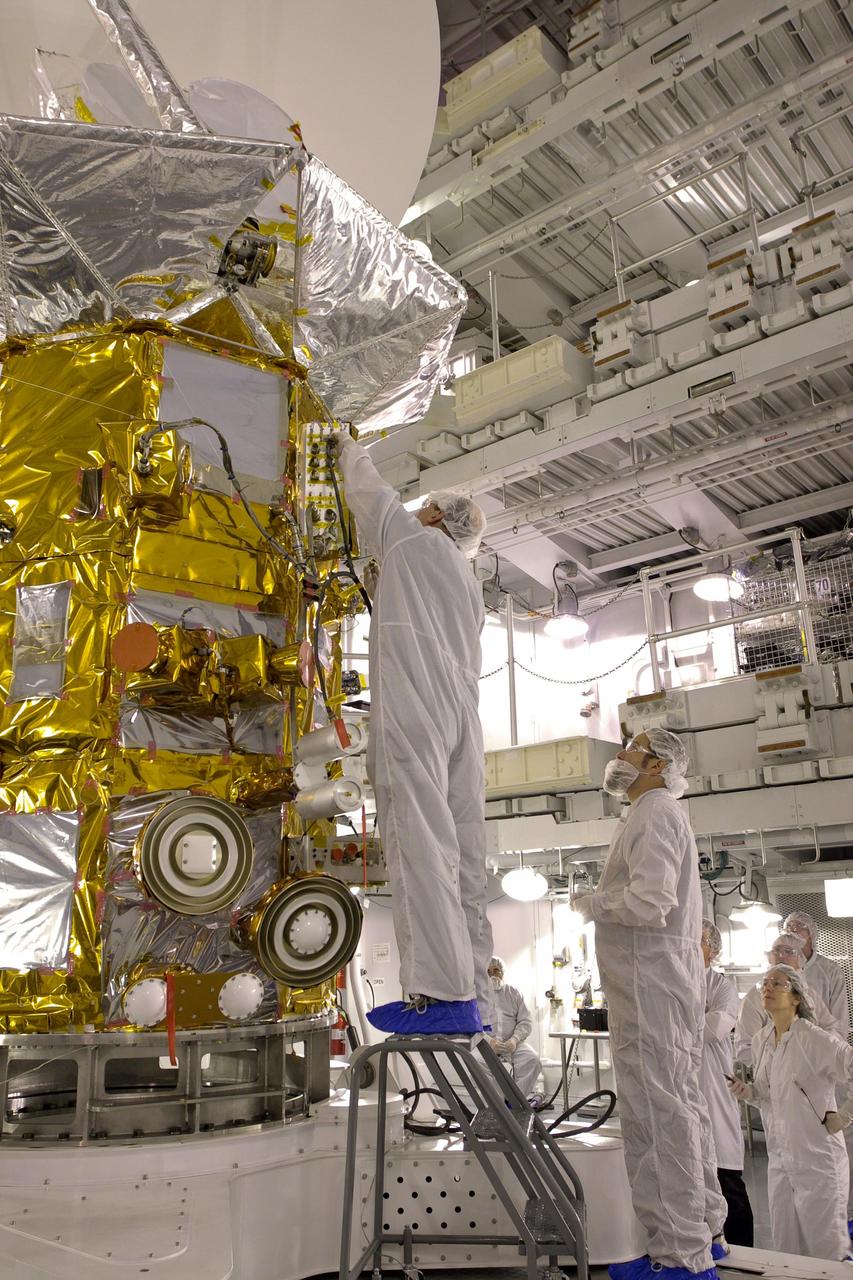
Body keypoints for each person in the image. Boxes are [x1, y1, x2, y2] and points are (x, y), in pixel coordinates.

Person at [334, 430, 492, 1035]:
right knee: (463, 856)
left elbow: (368, 494)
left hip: (419, 711)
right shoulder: (465, 581)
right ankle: (473, 991)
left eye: (424, 505)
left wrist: (344, 444)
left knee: (419, 842)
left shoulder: (411, 541)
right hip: (462, 723)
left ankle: (437, 994)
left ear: (433, 516)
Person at [571, 728, 727, 1280]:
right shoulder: (650, 814)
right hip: (658, 983)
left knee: (659, 1118)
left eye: (632, 750)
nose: (619, 757)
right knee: (681, 1107)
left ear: (659, 766)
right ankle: (705, 1231)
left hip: (649, 985)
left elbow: (649, 901)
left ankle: (681, 1256)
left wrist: (592, 902)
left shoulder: (655, 812)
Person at [728, 964, 853, 1261]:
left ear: (797, 996)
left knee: (827, 1251)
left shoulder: (814, 1039)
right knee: (786, 1247)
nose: (767, 988)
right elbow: (768, 1095)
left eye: (778, 984)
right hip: (781, 1161)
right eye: (765, 983)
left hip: (818, 1161)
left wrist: (846, 1114)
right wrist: (747, 1093)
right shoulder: (761, 1041)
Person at [699, 920, 754, 1247]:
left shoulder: (721, 987)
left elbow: (714, 1027)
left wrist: (680, 1023)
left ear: (714, 951)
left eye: (700, 940)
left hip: (712, 1088)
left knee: (726, 1177)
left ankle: (746, 1251)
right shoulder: (673, 983)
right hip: (682, 1091)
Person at [734, 932, 843, 1064]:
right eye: (777, 950)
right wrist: (780, 1060)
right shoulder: (757, 995)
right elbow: (745, 1049)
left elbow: (831, 1029)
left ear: (800, 960)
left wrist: (818, 1050)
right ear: (769, 958)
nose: (781, 955)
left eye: (789, 951)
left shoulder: (808, 994)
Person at [783, 910, 850, 1035]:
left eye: (799, 926)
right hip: (791, 1041)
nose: (793, 931)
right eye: (789, 927)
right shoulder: (781, 970)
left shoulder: (830, 969)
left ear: (811, 934)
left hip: (824, 1041)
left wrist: (834, 1046)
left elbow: (840, 1015)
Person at [487, 956, 543, 1098]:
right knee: (475, 1064)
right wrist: (488, 1041)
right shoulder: (478, 996)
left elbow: (525, 1021)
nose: (493, 975)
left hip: (512, 1043)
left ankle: (515, 1102)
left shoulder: (514, 993)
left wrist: (514, 1040)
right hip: (485, 1044)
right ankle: (496, 1106)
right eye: (488, 972)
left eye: (496, 970)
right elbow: (472, 1024)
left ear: (503, 972)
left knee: (532, 1060)